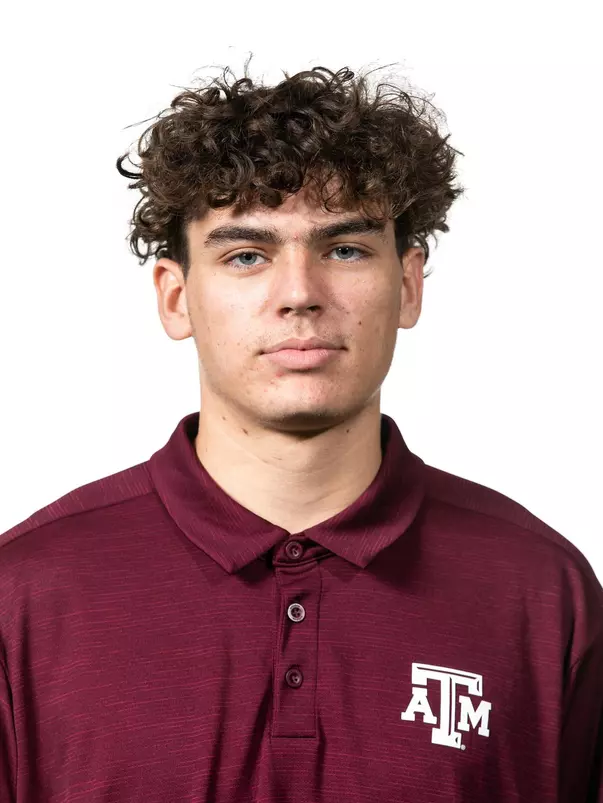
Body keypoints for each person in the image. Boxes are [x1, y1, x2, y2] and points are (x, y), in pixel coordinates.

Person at [1, 61, 601, 803]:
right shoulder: (23, 593)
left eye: (343, 249)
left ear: (407, 283)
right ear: (176, 296)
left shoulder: (541, 590)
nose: (299, 295)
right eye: (246, 255)